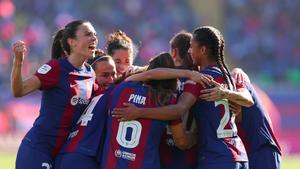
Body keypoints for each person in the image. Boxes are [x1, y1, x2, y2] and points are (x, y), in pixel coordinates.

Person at [113, 26, 254, 169]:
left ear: (203, 50)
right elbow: (245, 105)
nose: (189, 51)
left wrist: (140, 112)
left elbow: (179, 110)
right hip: (238, 155)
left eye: (192, 47)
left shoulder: (198, 79)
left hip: (211, 157)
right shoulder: (228, 77)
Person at [55, 52, 207, 169]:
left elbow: (148, 74)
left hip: (104, 162)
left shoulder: (120, 89)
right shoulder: (167, 102)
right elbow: (181, 141)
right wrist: (196, 136)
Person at [11, 20, 98, 169]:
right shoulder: (55, 68)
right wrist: (18, 62)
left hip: (65, 153)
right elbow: (19, 90)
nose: (94, 38)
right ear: (72, 42)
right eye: (88, 34)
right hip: (39, 148)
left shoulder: (90, 73)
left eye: (95, 35)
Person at [159, 31, 198, 169]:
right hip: (191, 153)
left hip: (163, 152)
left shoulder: (159, 78)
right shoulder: (200, 79)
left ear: (174, 52)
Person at [232, 68, 282, 169]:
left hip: (263, 151)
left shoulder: (239, 83)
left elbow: (242, 77)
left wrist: (236, 71)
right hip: (249, 154)